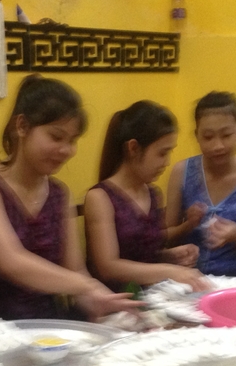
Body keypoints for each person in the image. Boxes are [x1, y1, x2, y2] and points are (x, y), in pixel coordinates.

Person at [0, 75, 136, 324]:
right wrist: (84, 286)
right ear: (21, 126)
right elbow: (12, 261)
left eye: (72, 141)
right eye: (56, 137)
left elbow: (75, 269)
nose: (66, 150)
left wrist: (102, 303)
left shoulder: (59, 194)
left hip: (48, 327)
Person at [85, 100, 206, 291]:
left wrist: (170, 256)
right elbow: (108, 266)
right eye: (162, 153)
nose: (166, 162)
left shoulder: (152, 193)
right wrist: (169, 271)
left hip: (153, 295)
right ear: (133, 148)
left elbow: (144, 254)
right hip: (114, 301)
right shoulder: (100, 197)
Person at [165, 92, 236, 278]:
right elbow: (165, 238)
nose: (218, 146)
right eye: (208, 137)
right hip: (188, 279)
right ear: (196, 135)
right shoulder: (182, 172)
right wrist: (188, 225)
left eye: (226, 135)